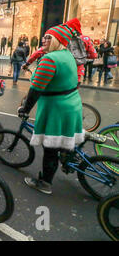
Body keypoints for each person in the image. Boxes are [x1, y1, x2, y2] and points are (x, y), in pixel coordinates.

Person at [18, 24, 84, 195]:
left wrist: (25, 109)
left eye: (49, 37)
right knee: (63, 140)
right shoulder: (67, 54)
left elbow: (36, 89)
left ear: (58, 40)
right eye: (44, 37)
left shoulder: (49, 59)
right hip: (71, 103)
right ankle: (67, 155)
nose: (44, 40)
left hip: (56, 109)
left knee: (50, 149)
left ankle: (45, 183)